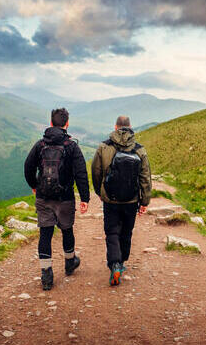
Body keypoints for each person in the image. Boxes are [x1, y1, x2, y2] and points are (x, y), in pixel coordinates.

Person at [24, 108, 89, 290]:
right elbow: (81, 173)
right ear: (67, 123)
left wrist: (34, 185)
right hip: (65, 197)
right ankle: (70, 263)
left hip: (44, 197)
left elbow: (28, 166)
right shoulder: (72, 146)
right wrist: (85, 198)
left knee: (45, 233)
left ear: (51, 123)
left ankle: (46, 275)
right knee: (67, 230)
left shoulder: (40, 145)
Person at [91, 115, 151, 286]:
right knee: (126, 232)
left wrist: (100, 191)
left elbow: (96, 171)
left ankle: (115, 264)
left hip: (110, 199)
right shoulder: (140, 149)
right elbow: (145, 177)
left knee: (112, 232)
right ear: (130, 127)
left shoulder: (104, 147)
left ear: (115, 127)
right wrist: (144, 201)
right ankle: (122, 261)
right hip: (131, 200)